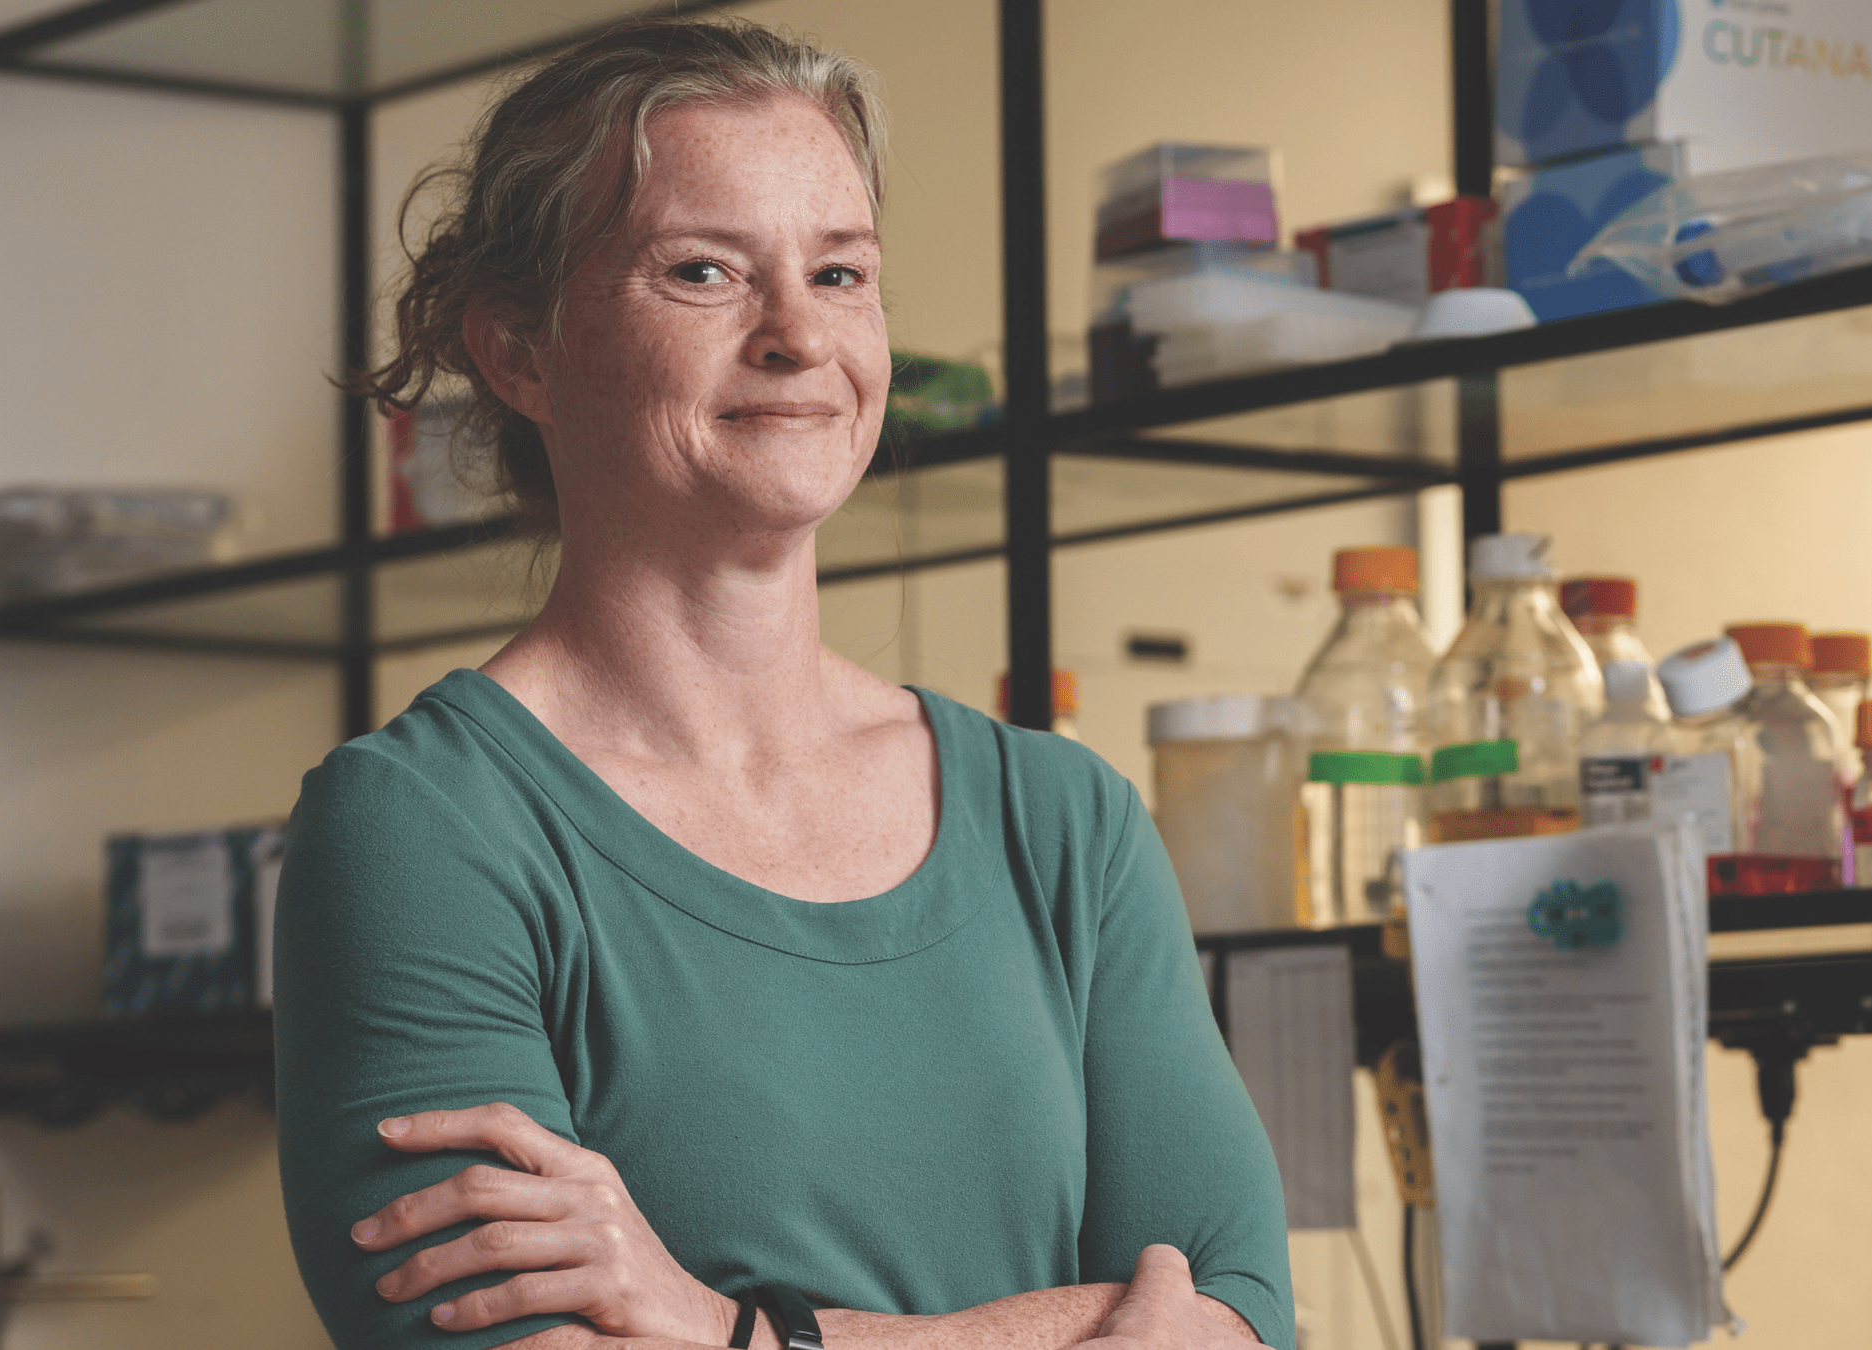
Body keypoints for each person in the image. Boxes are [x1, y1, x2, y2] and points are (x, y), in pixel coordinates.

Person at [272, 18, 1291, 1350]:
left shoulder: (1066, 823)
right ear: (520, 352)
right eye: (703, 271)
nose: (800, 336)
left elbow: (1237, 1320)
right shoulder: (424, 828)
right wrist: (1075, 1325)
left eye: (840, 271)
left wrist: (730, 1328)